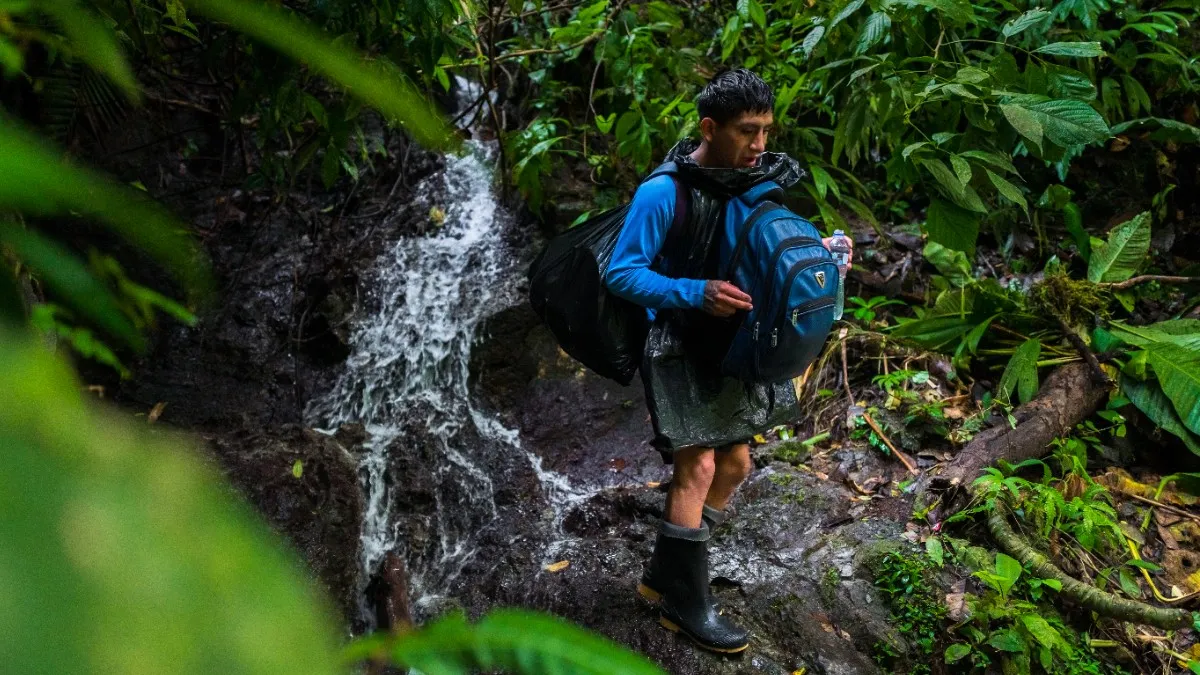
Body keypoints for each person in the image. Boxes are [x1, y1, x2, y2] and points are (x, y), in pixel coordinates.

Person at [604, 69, 854, 654]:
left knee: (736, 465)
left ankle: (668, 573)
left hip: (732, 343)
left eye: (766, 130)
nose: (760, 144)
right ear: (709, 128)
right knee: (698, 469)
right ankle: (685, 602)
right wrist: (695, 292)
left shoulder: (752, 177)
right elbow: (621, 272)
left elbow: (757, 250)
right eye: (747, 131)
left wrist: (820, 257)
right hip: (676, 342)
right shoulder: (663, 193)